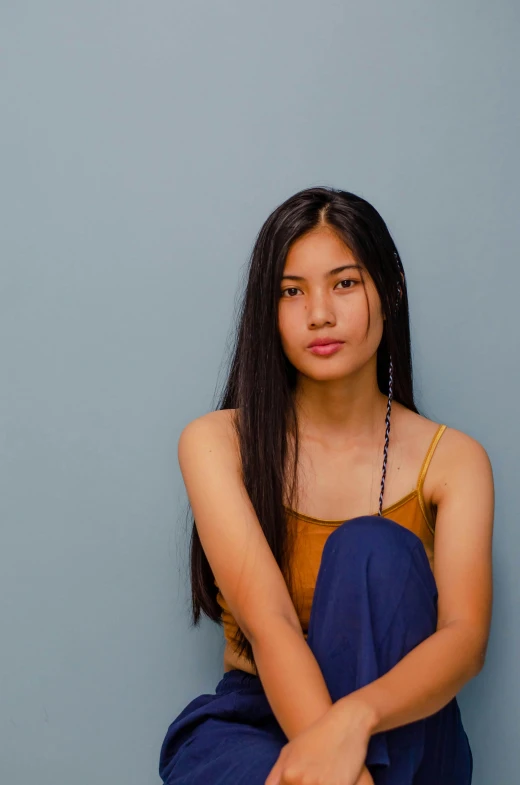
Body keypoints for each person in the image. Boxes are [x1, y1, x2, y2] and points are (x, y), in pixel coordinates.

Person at [158, 186, 494, 785]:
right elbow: (272, 625)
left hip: (402, 724)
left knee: (374, 547)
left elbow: (465, 639)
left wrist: (355, 721)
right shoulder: (218, 442)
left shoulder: (455, 461)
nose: (319, 313)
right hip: (257, 720)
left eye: (344, 283)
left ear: (388, 292)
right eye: (292, 292)